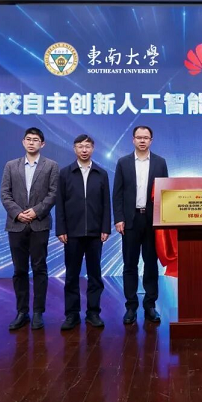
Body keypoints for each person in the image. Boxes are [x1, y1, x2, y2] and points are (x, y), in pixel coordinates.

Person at [0, 127, 59, 330]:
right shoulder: (11, 165)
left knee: (40, 268)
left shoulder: (51, 166)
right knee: (19, 270)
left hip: (39, 224)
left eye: (35, 140)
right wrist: (18, 213)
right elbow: (5, 194)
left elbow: (53, 194)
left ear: (42, 144)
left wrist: (35, 211)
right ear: (23, 142)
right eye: (28, 139)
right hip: (16, 224)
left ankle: (38, 312)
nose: (31, 142)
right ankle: (22, 312)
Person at [113, 126, 169, 324]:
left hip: (152, 220)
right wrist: (118, 218)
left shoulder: (160, 162)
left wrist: (163, 219)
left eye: (146, 137)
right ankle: (131, 306)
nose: (142, 141)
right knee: (130, 264)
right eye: (139, 137)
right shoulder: (123, 162)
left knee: (151, 264)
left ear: (151, 140)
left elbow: (165, 192)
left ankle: (150, 305)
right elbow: (117, 193)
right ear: (133, 140)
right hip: (130, 219)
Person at [56, 134, 111, 330]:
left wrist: (105, 228)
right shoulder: (65, 173)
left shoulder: (101, 173)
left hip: (95, 233)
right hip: (72, 233)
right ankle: (72, 314)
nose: (84, 150)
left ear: (93, 149)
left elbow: (106, 203)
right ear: (75, 149)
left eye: (87, 146)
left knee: (95, 274)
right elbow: (60, 203)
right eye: (80, 146)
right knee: (71, 275)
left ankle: (93, 313)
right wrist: (61, 229)